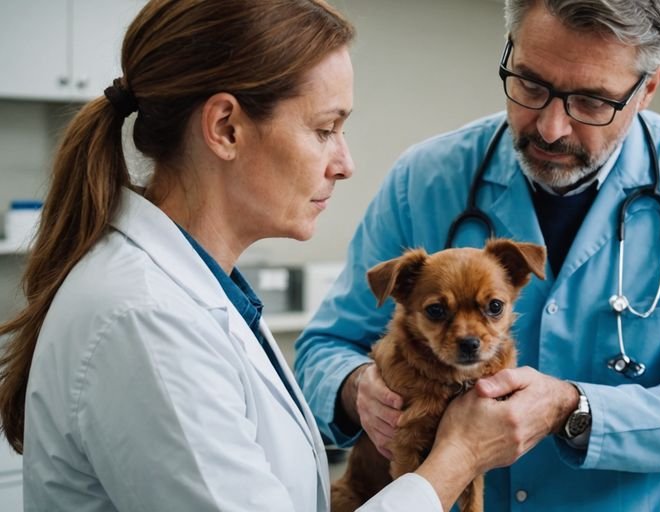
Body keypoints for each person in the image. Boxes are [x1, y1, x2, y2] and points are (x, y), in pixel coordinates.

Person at [0, 1, 533, 511]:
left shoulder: (199, 291)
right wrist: (459, 456)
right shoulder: (146, 320)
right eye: (325, 129)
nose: (345, 163)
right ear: (226, 128)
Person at [295, 0, 660, 510]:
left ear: (647, 88)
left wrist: (573, 408)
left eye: (591, 101)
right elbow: (324, 347)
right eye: (531, 84)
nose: (550, 128)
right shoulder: (425, 178)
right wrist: (358, 390)